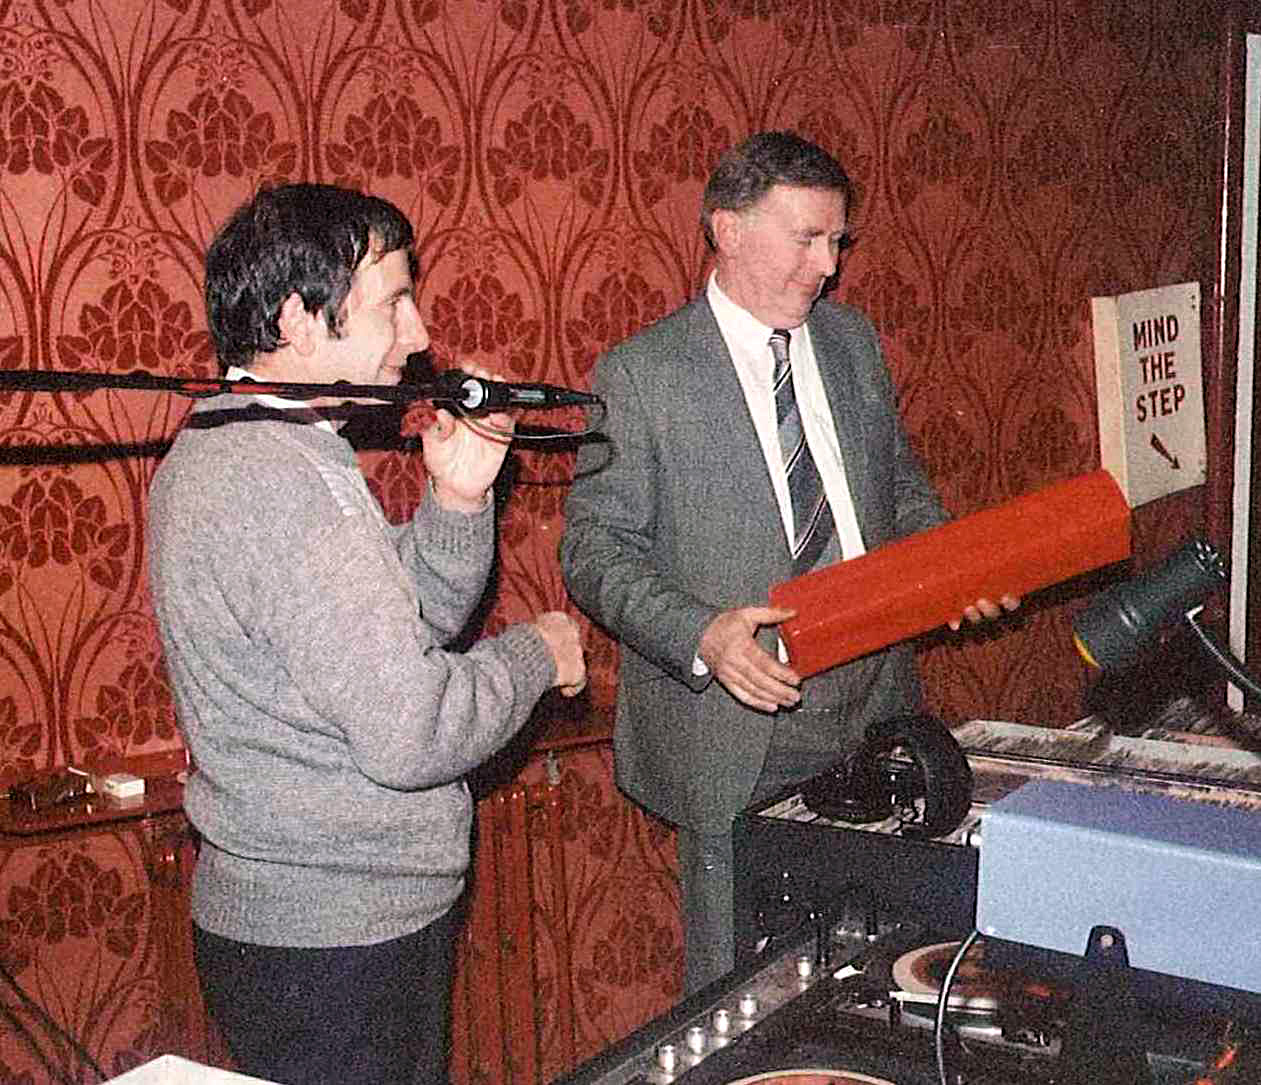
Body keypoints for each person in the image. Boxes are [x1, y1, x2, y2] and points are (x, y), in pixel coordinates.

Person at [147, 182, 585, 1085]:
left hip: (312, 932)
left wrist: (456, 500)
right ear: (299, 321)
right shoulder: (277, 480)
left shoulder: (251, 446)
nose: (417, 334)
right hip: (337, 944)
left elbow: (387, 635)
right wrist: (535, 653)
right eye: (393, 301)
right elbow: (410, 729)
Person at [560, 131, 1014, 995]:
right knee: (742, 992)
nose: (827, 266)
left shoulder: (851, 342)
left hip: (876, 706)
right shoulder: (641, 374)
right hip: (738, 730)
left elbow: (898, 492)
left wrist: (952, 567)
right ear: (727, 229)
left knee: (881, 974)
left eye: (837, 240)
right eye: (806, 238)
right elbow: (592, 547)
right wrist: (702, 634)